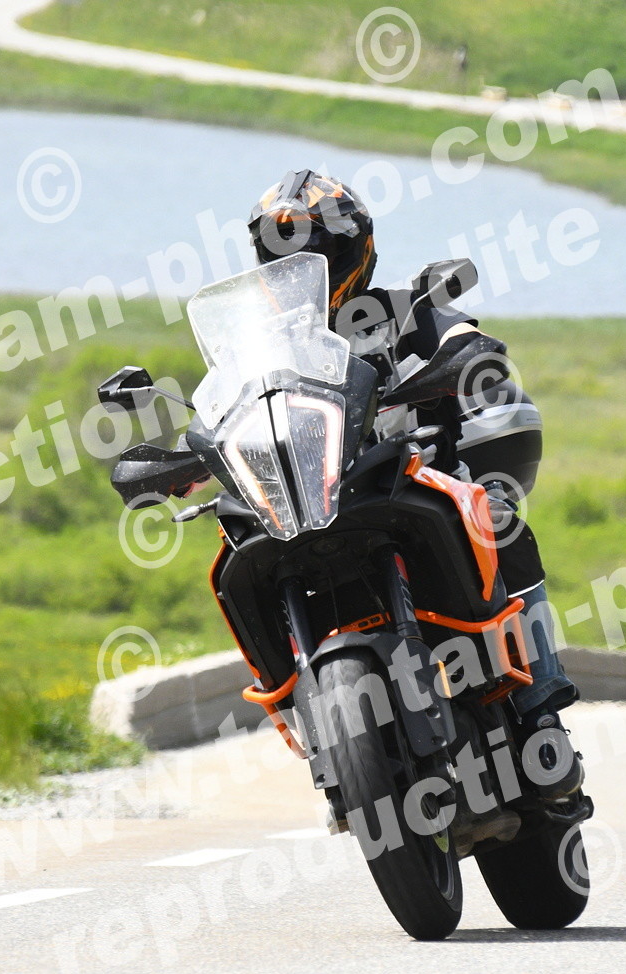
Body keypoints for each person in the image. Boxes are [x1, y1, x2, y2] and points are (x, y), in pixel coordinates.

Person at [245, 169, 583, 796]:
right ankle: (330, 743)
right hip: (316, 502)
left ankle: (541, 713)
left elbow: (463, 339)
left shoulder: (403, 310)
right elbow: (227, 412)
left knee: (497, 521)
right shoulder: (260, 349)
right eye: (283, 252)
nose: (302, 266)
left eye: (320, 249)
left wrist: (469, 353)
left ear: (355, 249)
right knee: (238, 551)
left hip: (413, 480)